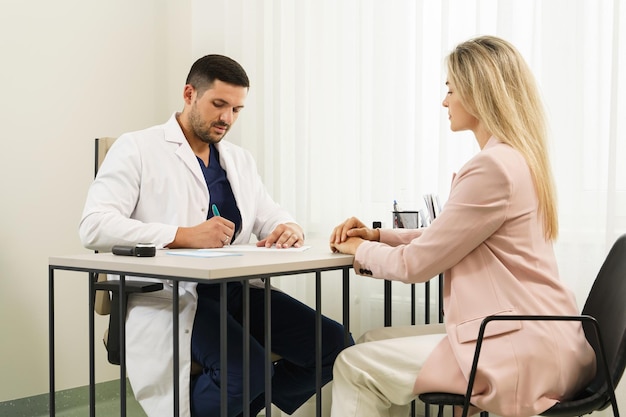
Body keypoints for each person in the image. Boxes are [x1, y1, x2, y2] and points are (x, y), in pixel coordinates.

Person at [328, 36, 596, 417]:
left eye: (450, 90)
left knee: (353, 366)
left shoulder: (493, 167)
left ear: (477, 93)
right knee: (372, 340)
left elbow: (416, 264)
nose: (444, 101)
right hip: (548, 338)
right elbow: (453, 238)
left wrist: (359, 250)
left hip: (519, 347)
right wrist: (378, 236)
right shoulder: (518, 159)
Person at [79, 54, 353, 417]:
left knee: (333, 345)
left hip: (236, 290)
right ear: (189, 94)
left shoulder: (238, 159)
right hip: (173, 297)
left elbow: (269, 213)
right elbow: (94, 225)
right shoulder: (137, 148)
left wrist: (289, 228)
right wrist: (181, 235)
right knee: (248, 370)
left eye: (237, 109)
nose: (227, 118)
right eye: (219, 104)